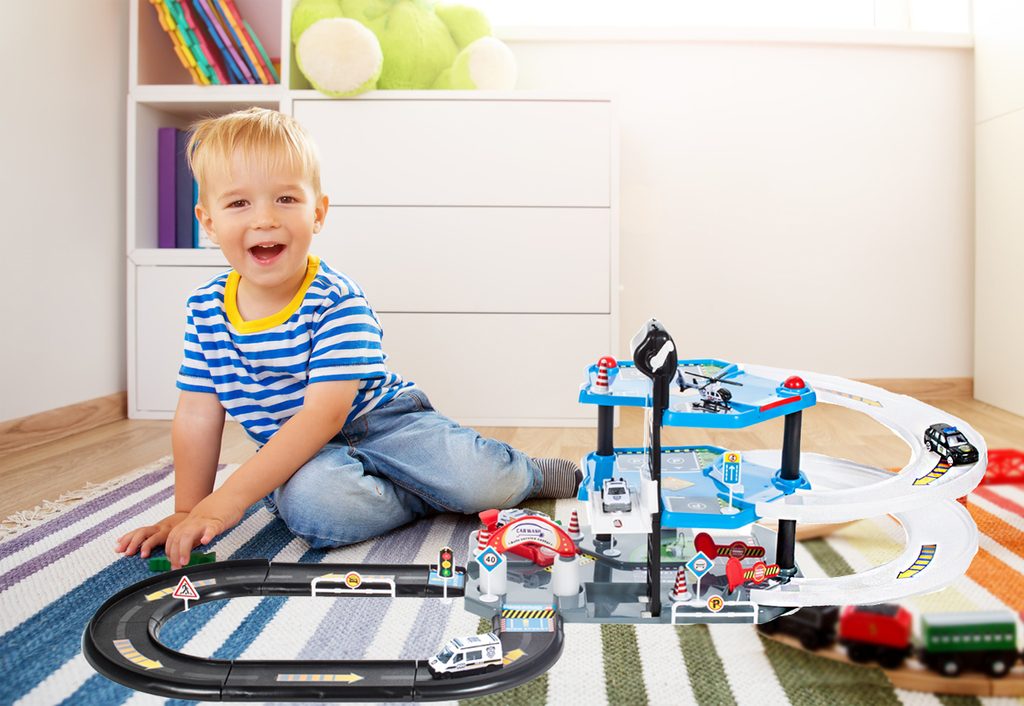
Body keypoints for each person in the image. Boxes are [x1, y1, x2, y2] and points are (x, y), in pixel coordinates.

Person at [115, 107, 580, 569]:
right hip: (305, 456)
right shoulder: (205, 310)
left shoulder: (335, 298)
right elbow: (197, 414)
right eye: (239, 204)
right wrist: (189, 509)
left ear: (317, 213)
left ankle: (529, 474)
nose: (264, 219)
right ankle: (420, 493)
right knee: (317, 511)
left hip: (385, 423)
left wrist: (230, 500)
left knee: (481, 483)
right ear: (209, 223)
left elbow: (324, 414)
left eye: (285, 199)